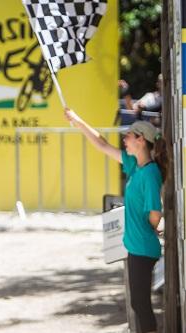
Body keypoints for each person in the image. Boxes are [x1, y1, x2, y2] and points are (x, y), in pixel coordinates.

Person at [65, 108, 166, 333]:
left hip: (143, 246)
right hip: (136, 245)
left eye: (129, 135)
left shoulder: (149, 174)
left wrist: (144, 230)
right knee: (137, 303)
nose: (124, 139)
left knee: (141, 304)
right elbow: (101, 144)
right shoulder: (135, 167)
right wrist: (78, 120)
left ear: (141, 140)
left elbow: (155, 214)